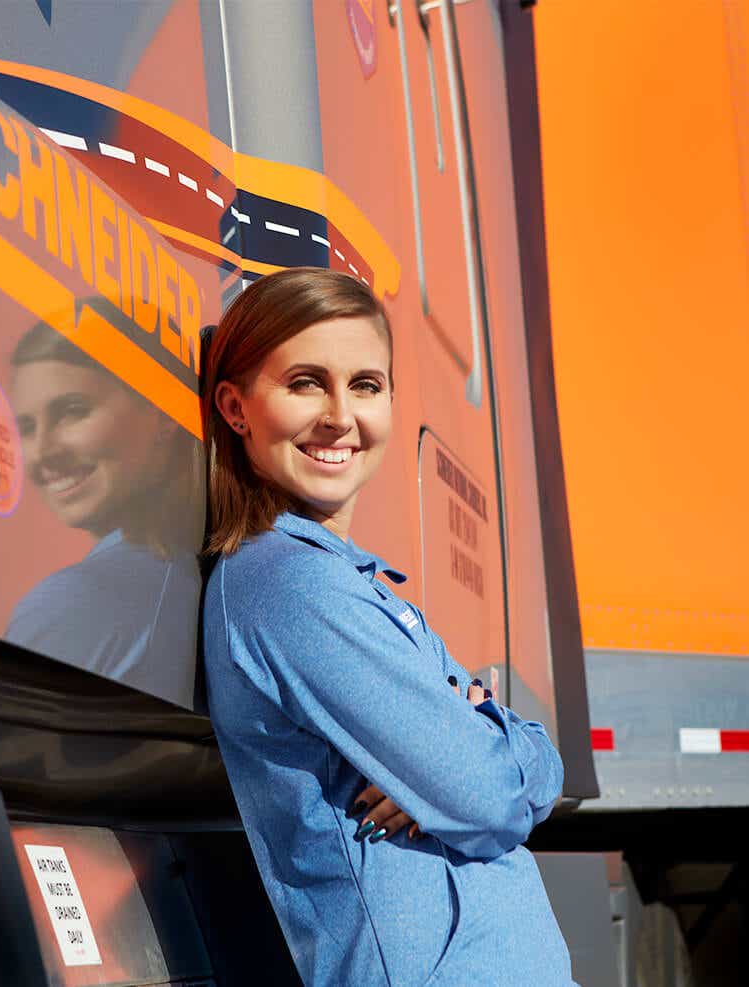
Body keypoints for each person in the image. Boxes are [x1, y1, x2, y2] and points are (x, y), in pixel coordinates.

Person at [202, 268, 574, 985]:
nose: (340, 416)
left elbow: (522, 770)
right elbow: (492, 798)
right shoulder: (289, 584)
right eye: (305, 382)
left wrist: (478, 758)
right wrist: (477, 753)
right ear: (237, 406)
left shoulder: (349, 580)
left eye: (365, 385)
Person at [5, 316, 204, 709]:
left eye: (73, 411)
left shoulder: (76, 601)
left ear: (165, 411)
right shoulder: (206, 575)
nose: (44, 452)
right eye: (26, 427)